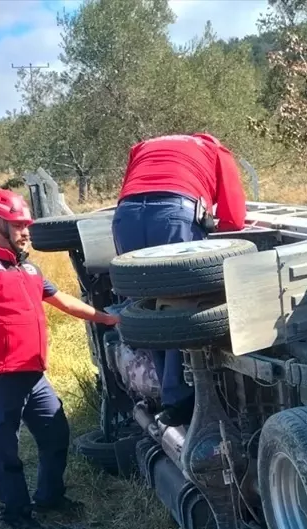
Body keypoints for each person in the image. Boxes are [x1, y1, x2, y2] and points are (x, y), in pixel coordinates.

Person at [0, 189, 119, 529]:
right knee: (4, 450)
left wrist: (110, 319)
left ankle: (50, 497)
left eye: (26, 224)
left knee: (56, 435)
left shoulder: (28, 268)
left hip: (33, 375)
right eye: (17, 224)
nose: (26, 231)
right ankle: (16, 513)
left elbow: (66, 302)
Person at [111, 132, 247, 426]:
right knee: (178, 302)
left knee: (144, 303)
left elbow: (131, 190)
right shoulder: (214, 149)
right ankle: (181, 397)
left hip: (125, 216)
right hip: (174, 213)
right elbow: (234, 217)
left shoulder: (143, 147)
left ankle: (162, 391)